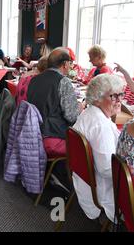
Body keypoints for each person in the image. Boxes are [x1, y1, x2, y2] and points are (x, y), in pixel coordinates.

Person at [73, 74, 125, 222]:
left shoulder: (89, 113)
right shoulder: (101, 126)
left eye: (120, 95)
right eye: (114, 96)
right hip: (101, 188)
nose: (119, 100)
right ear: (97, 98)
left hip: (85, 181)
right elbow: (107, 170)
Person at [27, 47, 83, 157]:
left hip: (34, 129)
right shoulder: (63, 81)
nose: (70, 66)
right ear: (65, 64)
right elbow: (72, 116)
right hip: (52, 133)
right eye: (70, 63)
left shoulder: (34, 79)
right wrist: (79, 108)